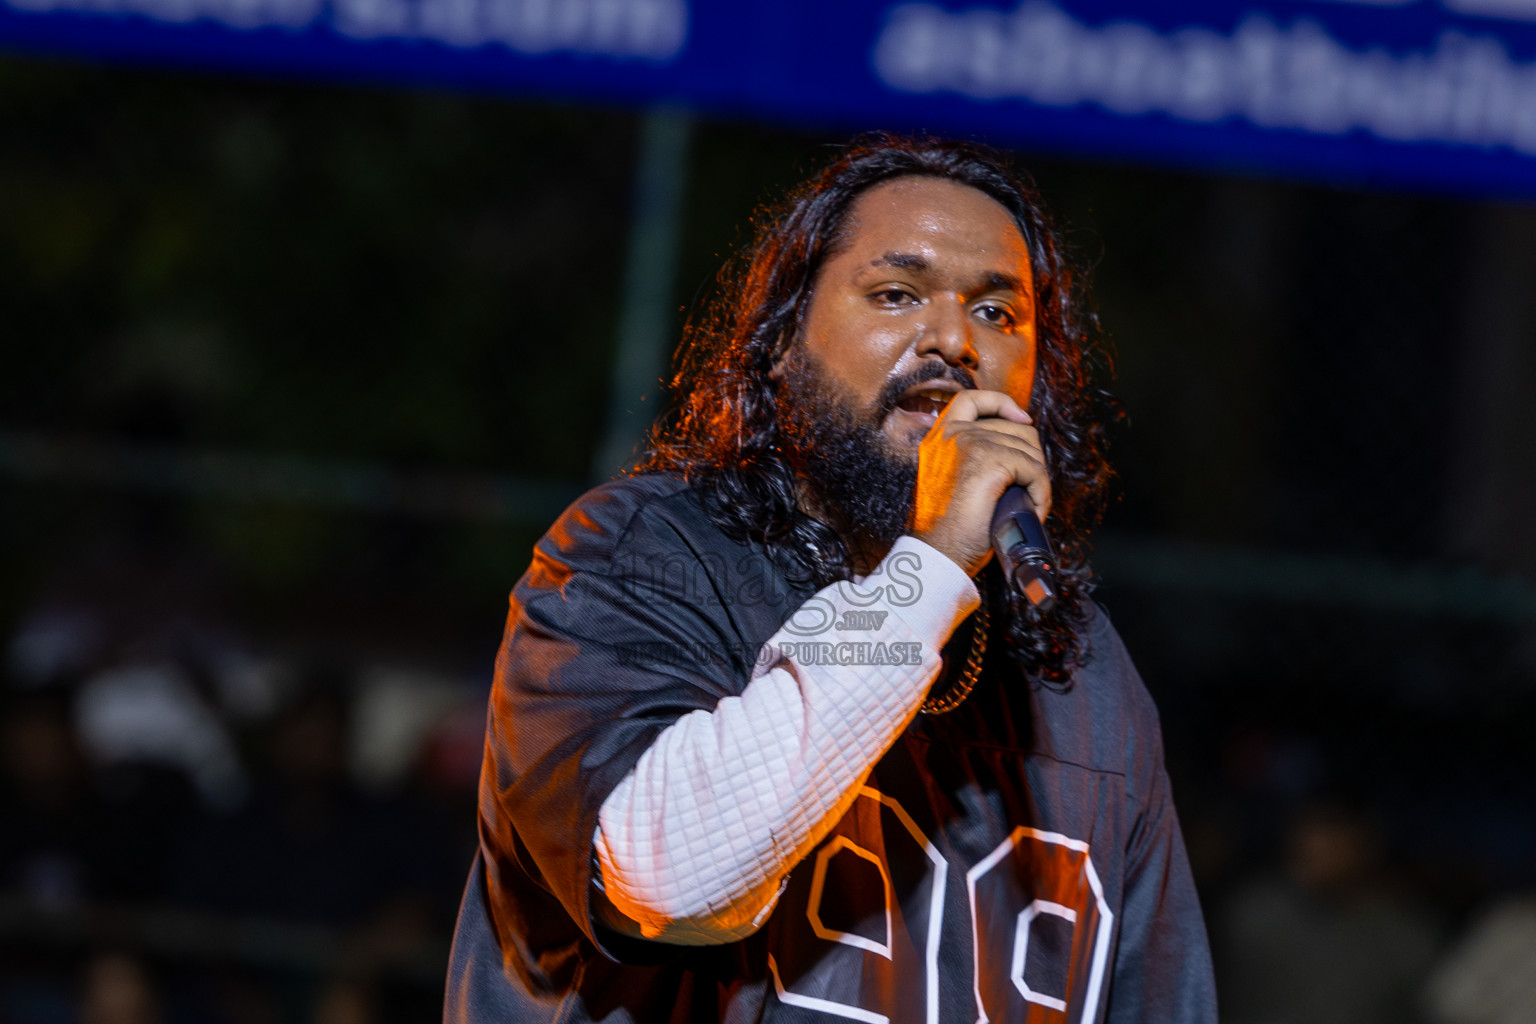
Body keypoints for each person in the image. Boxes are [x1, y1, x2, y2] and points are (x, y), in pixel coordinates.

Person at [445, 135, 1217, 1022]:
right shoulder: (646, 554)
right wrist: (928, 570)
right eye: (896, 295)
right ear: (781, 343)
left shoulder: (1083, 671)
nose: (953, 341)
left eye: (1000, 314)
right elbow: (670, 877)